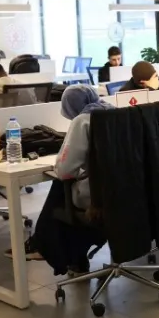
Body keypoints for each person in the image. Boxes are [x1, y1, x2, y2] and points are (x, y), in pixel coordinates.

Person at [8, 85, 112, 270]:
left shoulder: (83, 120)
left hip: (100, 197)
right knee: (64, 192)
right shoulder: (120, 114)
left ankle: (48, 248)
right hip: (132, 191)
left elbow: (65, 170)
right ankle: (68, 255)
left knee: (61, 187)